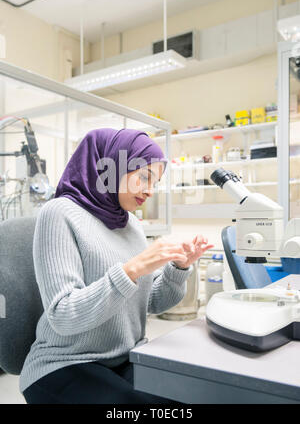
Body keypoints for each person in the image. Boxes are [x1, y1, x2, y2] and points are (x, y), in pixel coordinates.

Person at [19, 128, 213, 404]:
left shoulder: (130, 222)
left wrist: (178, 269)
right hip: (65, 364)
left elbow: (152, 302)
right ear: (111, 166)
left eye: (155, 182)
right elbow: (63, 315)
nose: (150, 190)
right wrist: (131, 270)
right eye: (144, 177)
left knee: (195, 395)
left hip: (126, 358)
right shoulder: (60, 213)